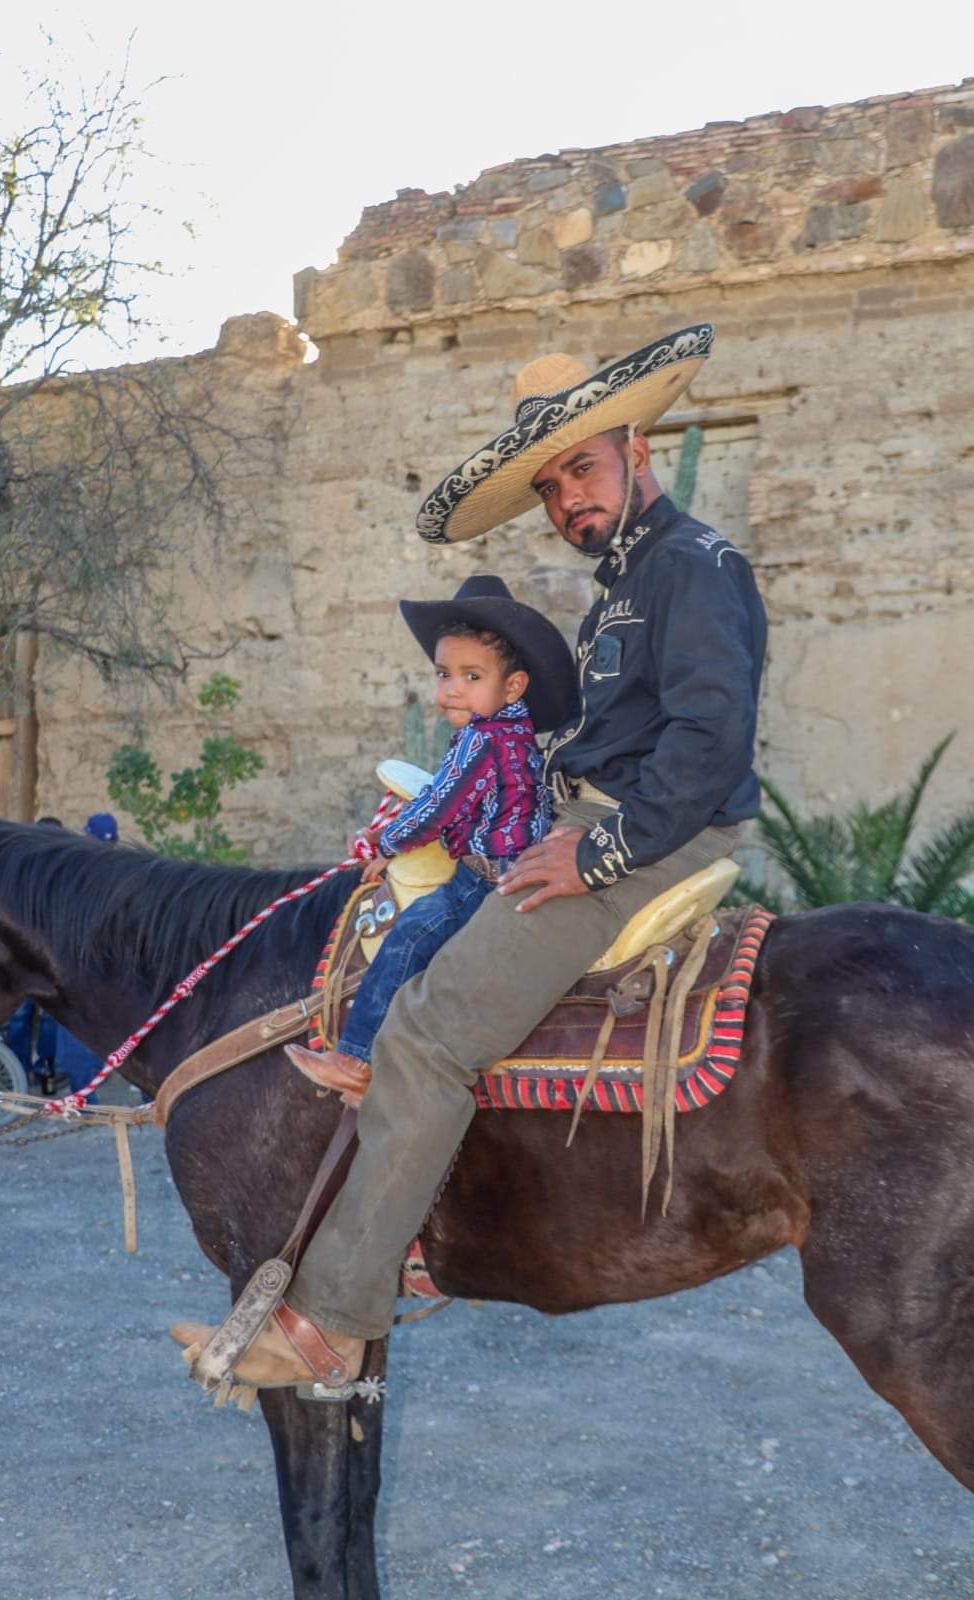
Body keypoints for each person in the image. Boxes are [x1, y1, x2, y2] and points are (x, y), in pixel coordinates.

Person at [171, 322, 769, 1391]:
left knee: (428, 1030)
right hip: (598, 821)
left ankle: (335, 1321)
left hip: (652, 834)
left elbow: (708, 740)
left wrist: (591, 856)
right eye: (547, 487)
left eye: (579, 470)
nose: (566, 501)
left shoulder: (694, 566)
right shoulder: (626, 583)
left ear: (635, 450)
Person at [284, 576, 576, 1106]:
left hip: (486, 882)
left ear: (512, 687)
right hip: (502, 866)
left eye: (471, 675)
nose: (452, 690)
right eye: (444, 674)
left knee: (407, 940)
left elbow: (438, 808)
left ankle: (356, 1058)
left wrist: (385, 844)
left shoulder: (484, 741)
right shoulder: (510, 733)